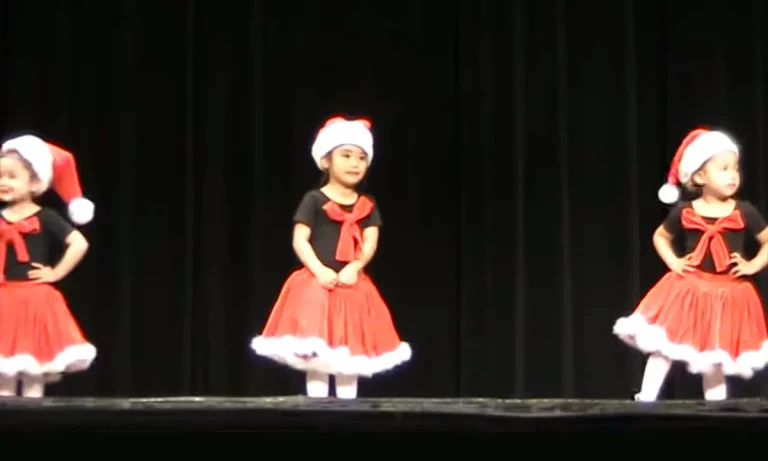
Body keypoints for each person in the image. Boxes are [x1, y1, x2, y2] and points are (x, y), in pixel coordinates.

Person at [251, 116, 411, 399]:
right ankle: (316, 412)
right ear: (326, 160)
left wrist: (356, 266)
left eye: (361, 157)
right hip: (318, 287)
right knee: (317, 351)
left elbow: (370, 240)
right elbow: (300, 239)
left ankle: (348, 416)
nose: (354, 163)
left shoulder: (367, 205)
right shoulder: (314, 199)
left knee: (349, 353)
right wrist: (318, 269)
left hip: (351, 287)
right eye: (346, 155)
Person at [613, 128, 768, 402]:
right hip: (689, 289)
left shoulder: (744, 211)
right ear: (699, 176)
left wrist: (753, 264)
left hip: (726, 293)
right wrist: (673, 261)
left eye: (735, 168)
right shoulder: (685, 212)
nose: (733, 175)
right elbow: (661, 236)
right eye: (723, 169)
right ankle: (645, 398)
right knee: (663, 345)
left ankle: (716, 411)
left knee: (715, 355)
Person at [0, 134, 96, 398]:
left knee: (33, 376)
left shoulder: (46, 217)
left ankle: (31, 427)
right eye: (1, 176)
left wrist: (56, 272)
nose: (4, 182)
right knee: (3, 377)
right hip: (4, 299)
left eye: (12, 176)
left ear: (34, 183)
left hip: (34, 301)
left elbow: (78, 243)